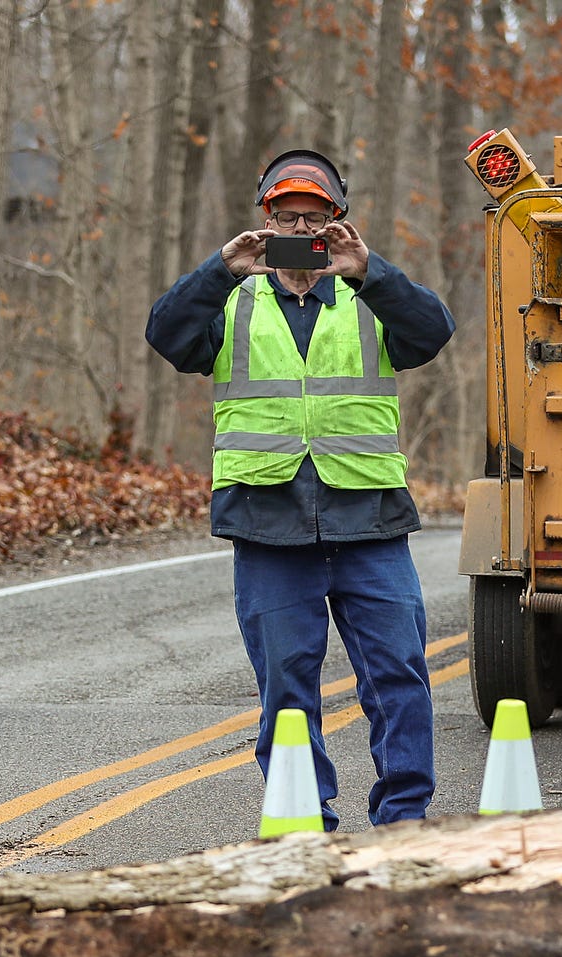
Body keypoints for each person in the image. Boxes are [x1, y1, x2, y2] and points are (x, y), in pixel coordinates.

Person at [146, 149, 454, 829]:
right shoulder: (233, 300)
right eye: (287, 217)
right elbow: (166, 334)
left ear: (338, 221)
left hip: (369, 519)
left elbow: (434, 331)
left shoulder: (368, 296)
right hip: (268, 521)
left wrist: (370, 271)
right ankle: (302, 818)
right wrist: (220, 269)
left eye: (315, 218)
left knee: (399, 672)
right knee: (286, 684)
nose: (302, 229)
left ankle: (404, 817)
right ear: (266, 221)